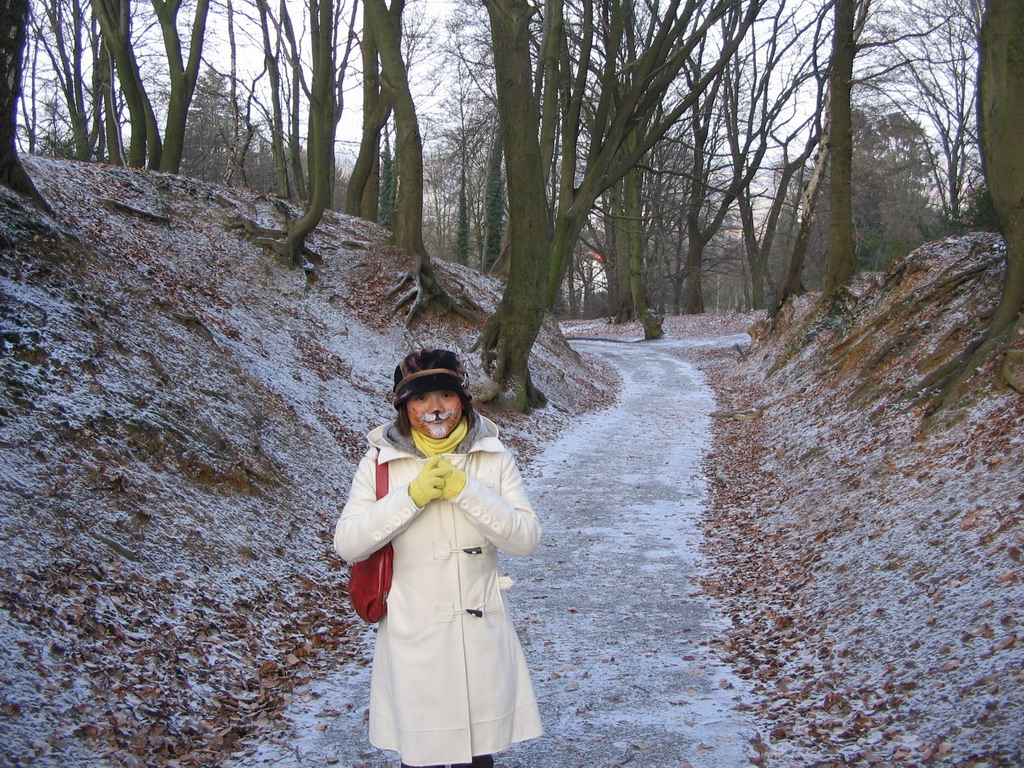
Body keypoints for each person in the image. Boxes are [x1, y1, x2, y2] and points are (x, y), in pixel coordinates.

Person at [335, 348, 544, 768]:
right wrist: (410, 497)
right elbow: (349, 544)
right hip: (414, 636)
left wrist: (465, 490)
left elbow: (525, 540)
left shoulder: (493, 455)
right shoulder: (379, 462)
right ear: (404, 407)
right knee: (424, 754)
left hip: (480, 633)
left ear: (462, 399)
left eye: (445, 396)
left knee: (477, 754)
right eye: (420, 399)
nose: (434, 409)